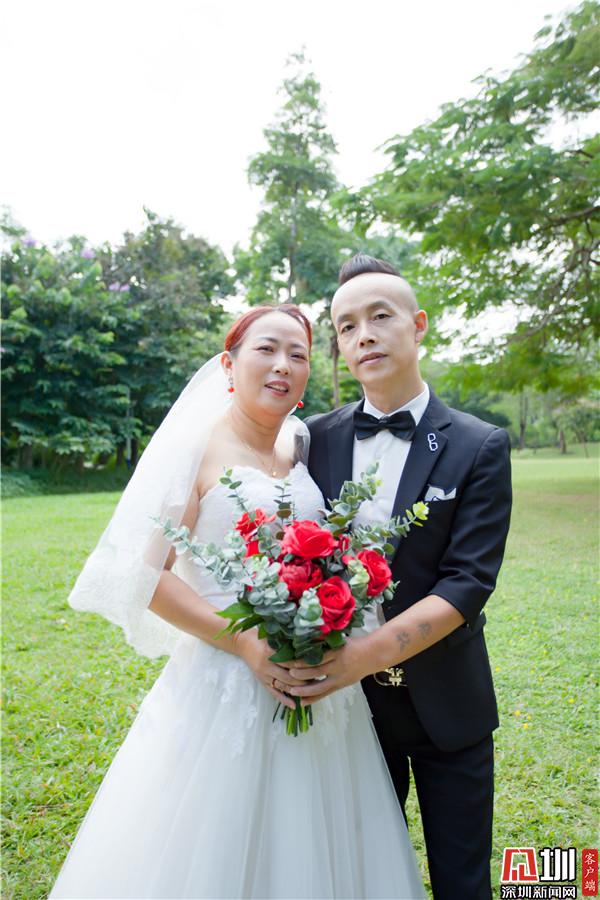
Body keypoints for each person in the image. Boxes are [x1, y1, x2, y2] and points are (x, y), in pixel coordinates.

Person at [49, 304, 425, 899]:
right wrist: (246, 644)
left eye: (298, 355)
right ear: (228, 364)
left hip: (317, 680)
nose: (283, 366)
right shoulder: (194, 449)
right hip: (222, 680)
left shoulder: (302, 446)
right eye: (266, 350)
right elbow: (147, 576)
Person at [289, 255, 512, 900]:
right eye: (347, 326)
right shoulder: (313, 440)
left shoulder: (479, 444)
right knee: (357, 877)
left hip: (449, 702)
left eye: (380, 317)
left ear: (417, 326)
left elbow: (468, 582)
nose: (364, 335)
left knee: (463, 880)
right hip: (349, 712)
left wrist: (358, 659)